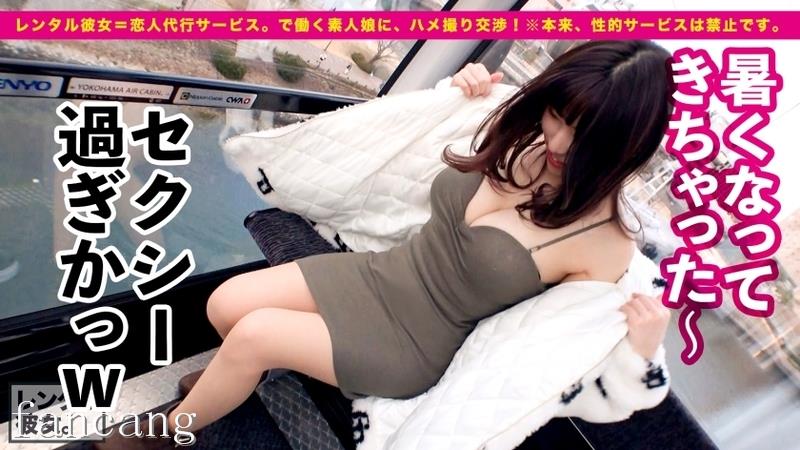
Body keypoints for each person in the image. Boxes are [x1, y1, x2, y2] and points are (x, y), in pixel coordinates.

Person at [96, 40, 674, 448]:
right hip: (381, 272)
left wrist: (641, 351)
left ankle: (173, 432)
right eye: (559, 114)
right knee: (225, 304)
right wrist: (456, 91)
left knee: (252, 335)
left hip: (416, 341)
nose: (561, 141)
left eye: (587, 134)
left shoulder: (604, 240)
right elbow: (414, 139)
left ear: (627, 144)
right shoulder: (519, 137)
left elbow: (570, 349)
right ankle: (235, 381)